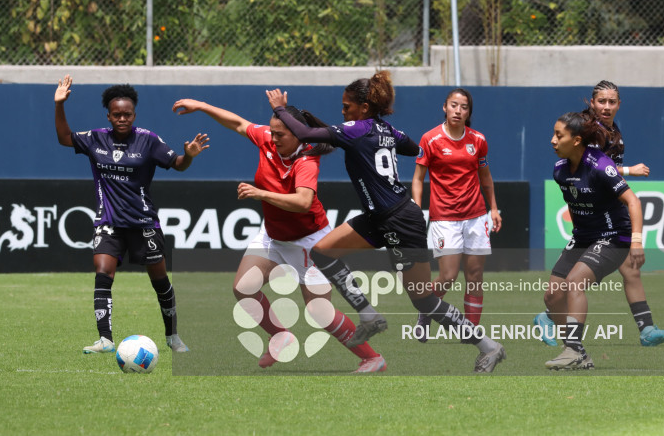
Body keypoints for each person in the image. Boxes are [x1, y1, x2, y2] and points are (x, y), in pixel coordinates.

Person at [265, 71, 506, 373]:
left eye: (347, 106)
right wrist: (375, 137)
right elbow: (413, 147)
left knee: (423, 300)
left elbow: (308, 135)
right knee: (322, 252)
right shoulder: (383, 128)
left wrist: (279, 109)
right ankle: (369, 316)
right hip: (379, 216)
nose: (343, 112)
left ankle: (489, 346)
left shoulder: (354, 130)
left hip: (401, 221)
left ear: (363, 108)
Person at [171, 98, 386, 372]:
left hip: (311, 241)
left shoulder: (306, 159)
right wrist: (201, 106)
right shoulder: (267, 140)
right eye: (272, 132)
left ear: (298, 134)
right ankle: (280, 335)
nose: (273, 138)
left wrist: (260, 194)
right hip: (273, 235)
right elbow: (237, 123)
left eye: (280, 134)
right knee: (243, 287)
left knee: (319, 312)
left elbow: (303, 202)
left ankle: (372, 358)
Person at [54, 75, 210, 354]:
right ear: (109, 115)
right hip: (109, 222)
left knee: (160, 281)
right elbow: (65, 138)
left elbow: (177, 164)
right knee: (103, 273)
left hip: (143, 224)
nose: (122, 118)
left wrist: (189, 156)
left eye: (127, 114)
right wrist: (59, 105)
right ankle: (105, 340)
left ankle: (173, 337)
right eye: (117, 114)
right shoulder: (95, 138)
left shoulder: (148, 141)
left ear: (134, 114)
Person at [534, 80, 664, 347]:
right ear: (592, 103)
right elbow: (595, 167)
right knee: (567, 288)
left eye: (612, 102)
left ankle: (644, 330)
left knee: (630, 271)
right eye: (602, 101)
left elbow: (605, 173)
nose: (607, 107)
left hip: (609, 217)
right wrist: (629, 170)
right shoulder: (588, 131)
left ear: (619, 104)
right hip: (597, 217)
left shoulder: (614, 132)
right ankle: (554, 322)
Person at [544, 111, 645, 370]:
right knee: (553, 296)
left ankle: (573, 350)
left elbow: (633, 201)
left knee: (574, 282)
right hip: (583, 238)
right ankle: (577, 353)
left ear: (576, 140)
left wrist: (636, 242)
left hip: (614, 237)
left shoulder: (600, 166)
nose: (553, 141)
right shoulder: (559, 170)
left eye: (559, 135)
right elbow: (577, 208)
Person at [411, 88, 501, 341]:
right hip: (444, 218)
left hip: (476, 216)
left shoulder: (478, 140)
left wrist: (493, 208)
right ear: (445, 107)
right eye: (453, 105)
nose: (458, 111)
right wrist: (417, 208)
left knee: (474, 276)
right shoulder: (430, 139)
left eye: (463, 107)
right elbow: (418, 179)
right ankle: (425, 310)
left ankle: (470, 332)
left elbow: (486, 177)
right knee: (448, 276)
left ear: (468, 112)